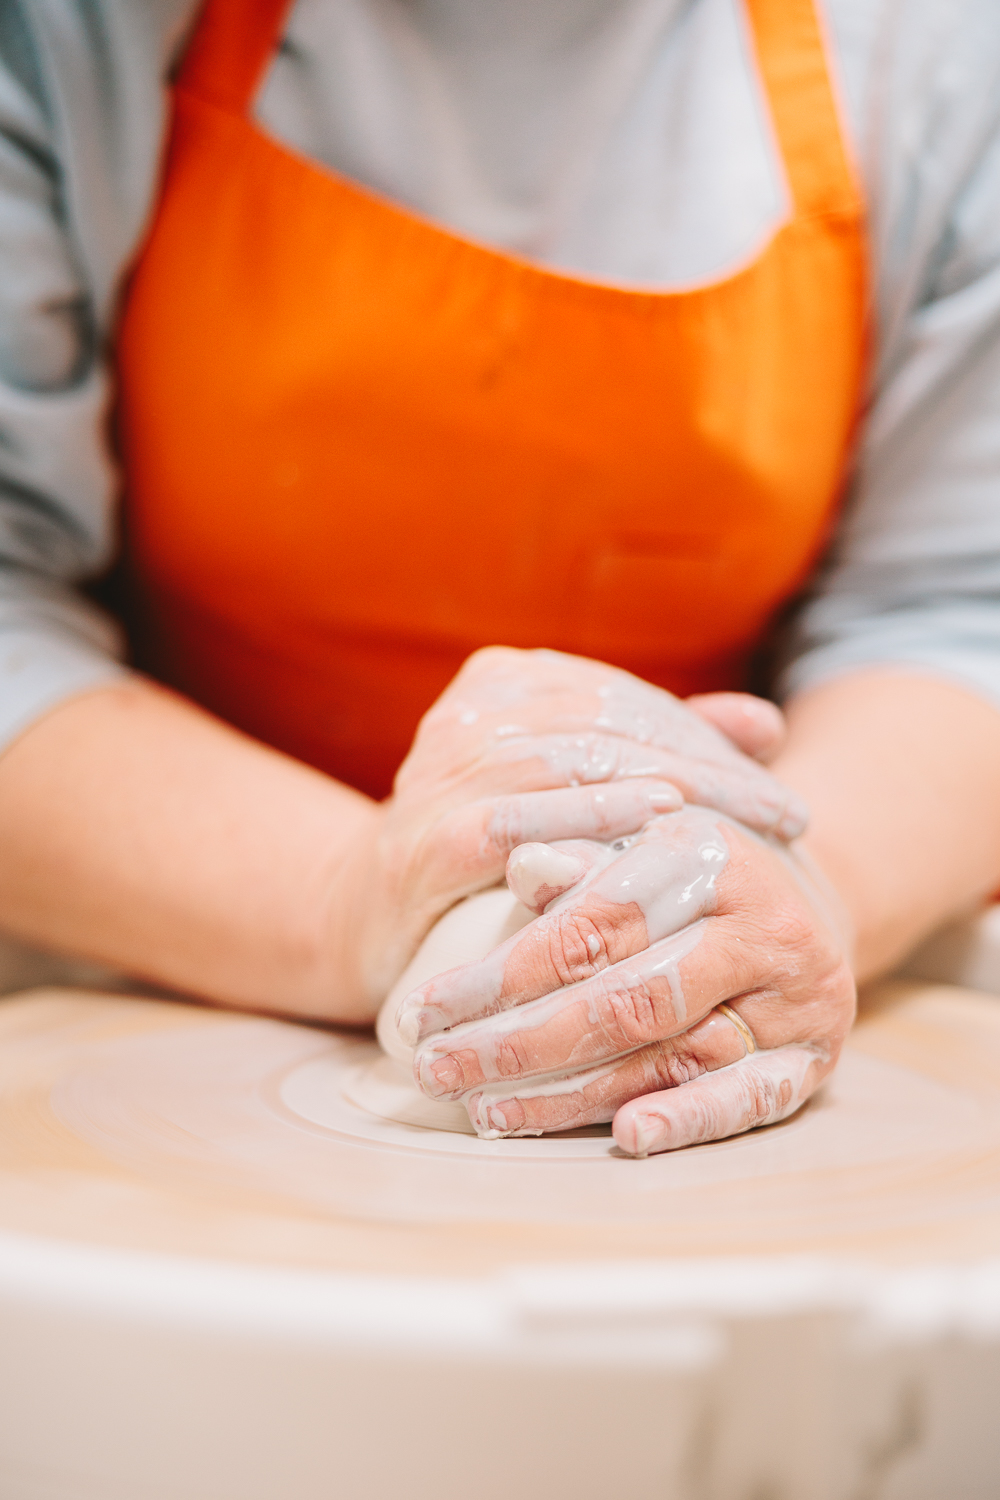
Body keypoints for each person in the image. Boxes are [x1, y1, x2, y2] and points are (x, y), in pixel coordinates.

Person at [1, 0, 999, 1155]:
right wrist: (342, 896)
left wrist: (799, 891)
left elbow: (957, 612)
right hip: (170, 925)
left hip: (711, 960)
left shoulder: (938, 50)